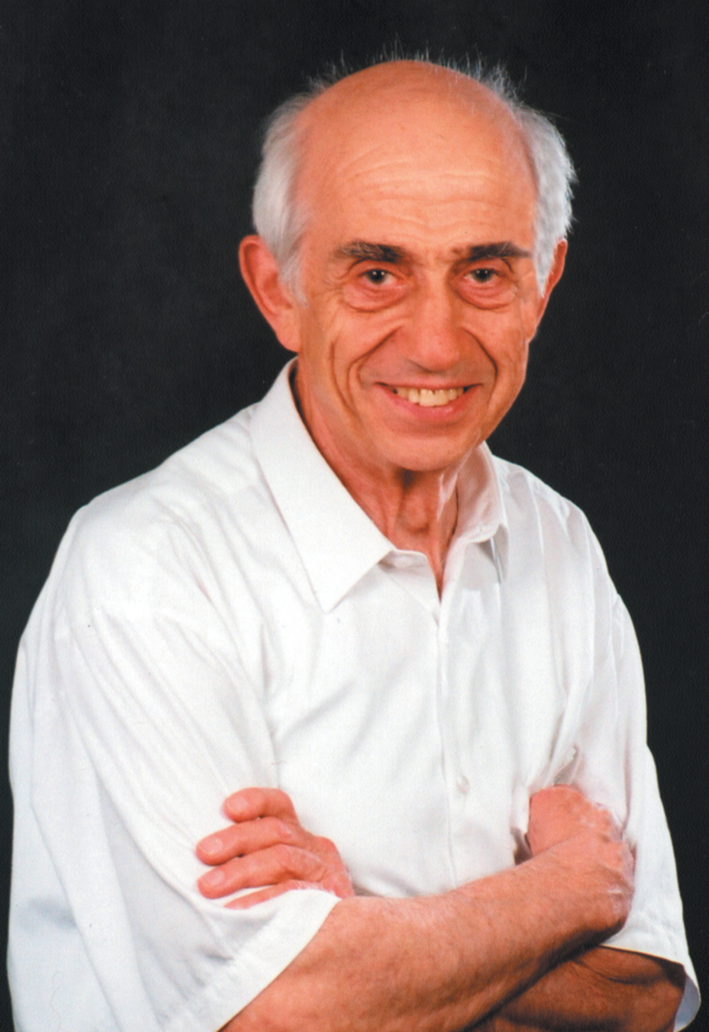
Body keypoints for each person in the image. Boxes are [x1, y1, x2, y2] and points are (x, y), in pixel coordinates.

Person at [8, 58, 699, 1032]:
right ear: (278, 290)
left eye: (484, 272)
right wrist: (564, 894)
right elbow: (275, 1011)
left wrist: (359, 924)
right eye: (377, 273)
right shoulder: (146, 573)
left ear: (542, 286)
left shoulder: (559, 546)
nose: (435, 343)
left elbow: (643, 994)